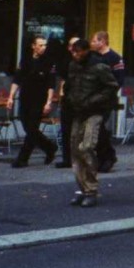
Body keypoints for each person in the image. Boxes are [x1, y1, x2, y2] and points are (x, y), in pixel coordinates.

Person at [64, 38, 120, 208]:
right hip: (77, 111)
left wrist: (93, 101)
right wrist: (68, 100)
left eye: (77, 51)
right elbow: (70, 86)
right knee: (75, 150)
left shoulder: (99, 66)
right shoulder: (73, 66)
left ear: (86, 50)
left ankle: (91, 190)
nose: (75, 55)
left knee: (86, 147)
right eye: (73, 51)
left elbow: (112, 86)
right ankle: (83, 189)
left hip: (94, 111)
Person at [6, 34, 59, 168]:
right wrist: (11, 97)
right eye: (40, 45)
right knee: (27, 126)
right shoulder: (26, 60)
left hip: (39, 99)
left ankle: (23, 159)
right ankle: (49, 147)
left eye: (45, 45)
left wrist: (49, 102)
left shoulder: (49, 62)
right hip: (25, 97)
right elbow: (17, 79)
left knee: (32, 128)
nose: (43, 48)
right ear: (33, 46)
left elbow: (51, 84)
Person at [90, 30, 124, 173]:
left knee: (99, 126)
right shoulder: (92, 57)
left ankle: (108, 156)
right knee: (96, 129)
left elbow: (119, 80)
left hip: (106, 100)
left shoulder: (115, 58)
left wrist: (105, 95)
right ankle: (105, 156)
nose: (91, 43)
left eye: (94, 41)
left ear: (102, 42)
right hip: (92, 99)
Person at [53, 36, 79, 169]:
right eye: (73, 45)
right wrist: (61, 94)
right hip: (68, 99)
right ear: (69, 48)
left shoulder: (87, 61)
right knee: (66, 129)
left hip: (81, 99)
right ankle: (67, 158)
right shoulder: (66, 62)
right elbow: (62, 79)